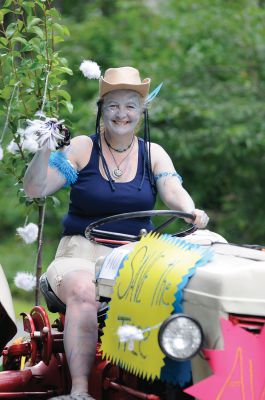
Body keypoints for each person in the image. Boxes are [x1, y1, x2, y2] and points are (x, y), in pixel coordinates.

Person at [23, 66, 209, 400]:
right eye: (113, 105)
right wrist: (44, 149)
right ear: (101, 109)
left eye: (130, 106)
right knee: (83, 290)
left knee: (188, 288)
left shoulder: (153, 153)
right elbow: (37, 189)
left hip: (136, 257)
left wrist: (191, 211)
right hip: (80, 251)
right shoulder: (82, 147)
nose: (121, 114)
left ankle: (175, 384)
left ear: (142, 111)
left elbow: (173, 192)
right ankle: (79, 391)